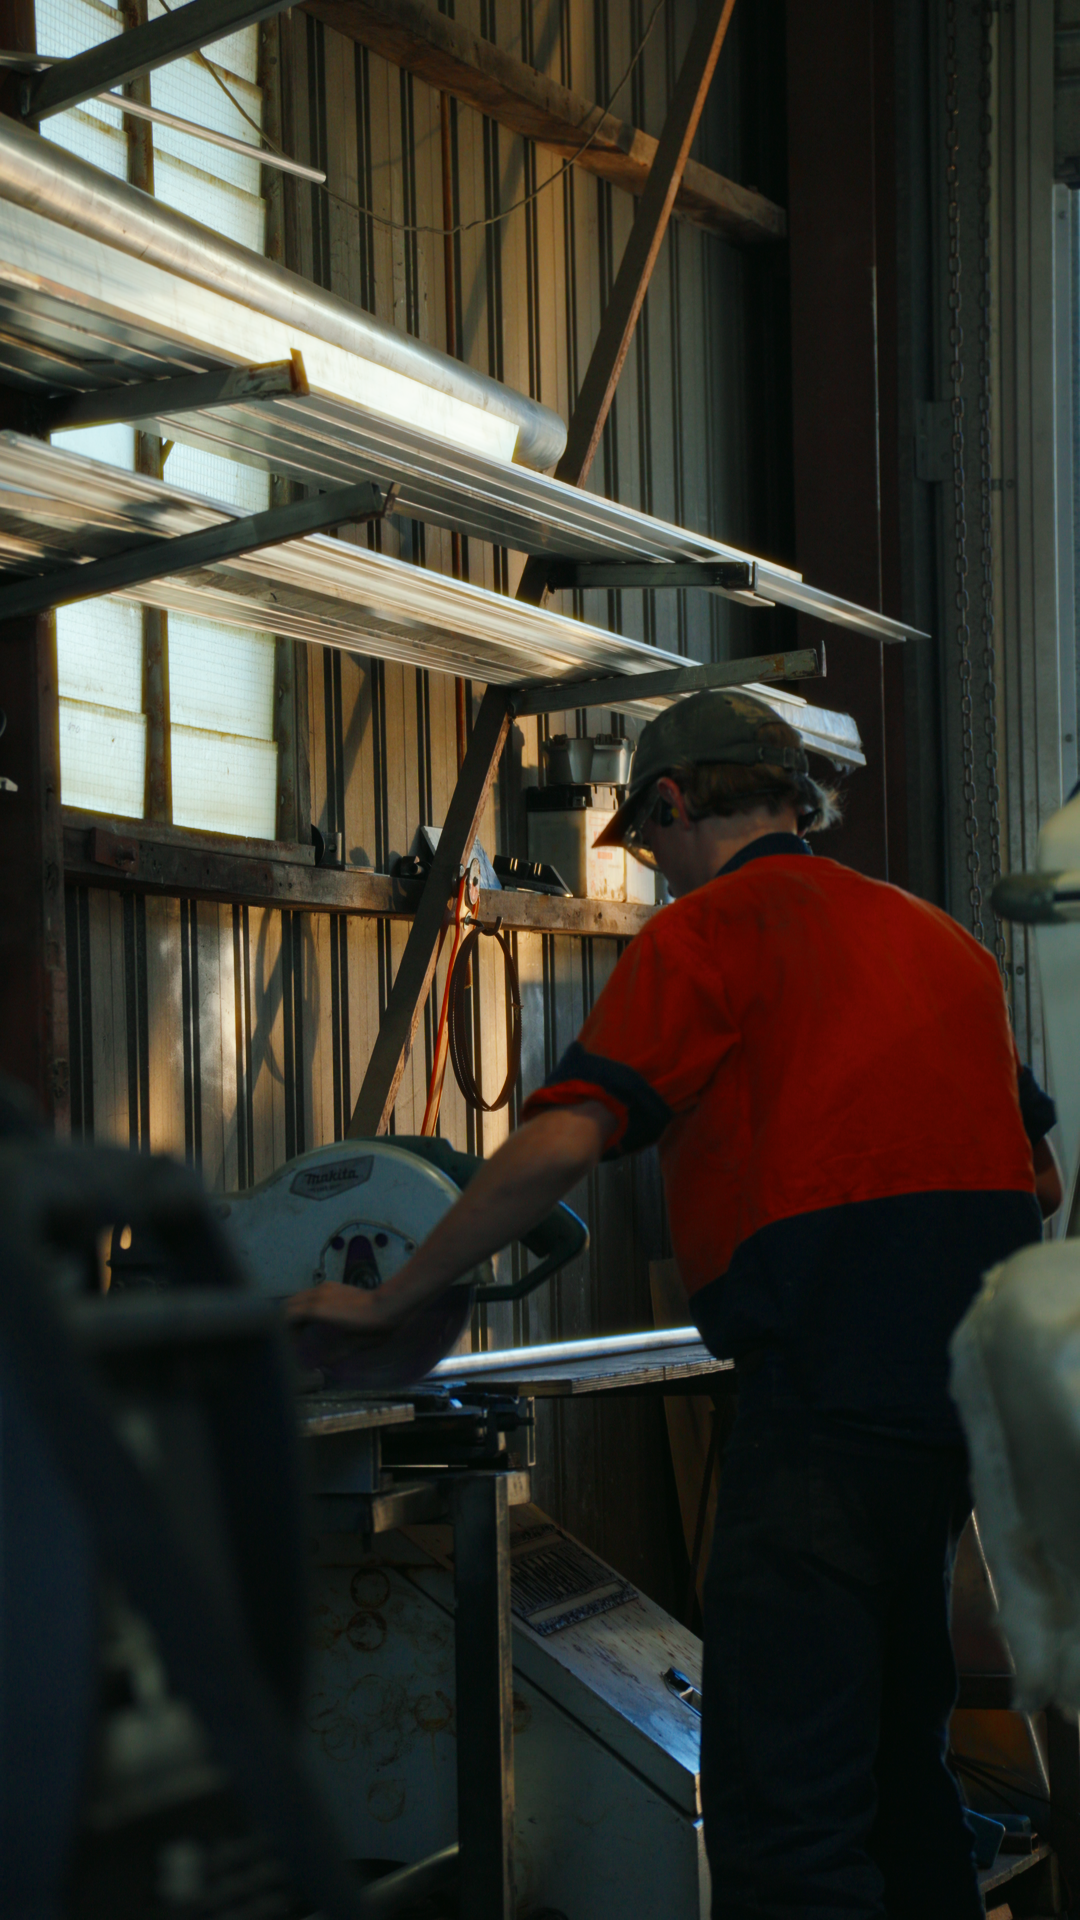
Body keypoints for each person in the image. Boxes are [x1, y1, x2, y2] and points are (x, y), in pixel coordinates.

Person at [290, 689, 1059, 1919]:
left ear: (672, 802)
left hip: (823, 1406)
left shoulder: (710, 934)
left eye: (649, 848)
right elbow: (1043, 1176)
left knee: (785, 1802)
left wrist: (397, 1301)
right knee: (896, 1776)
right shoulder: (941, 943)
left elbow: (563, 1142)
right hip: (958, 1419)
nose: (655, 874)